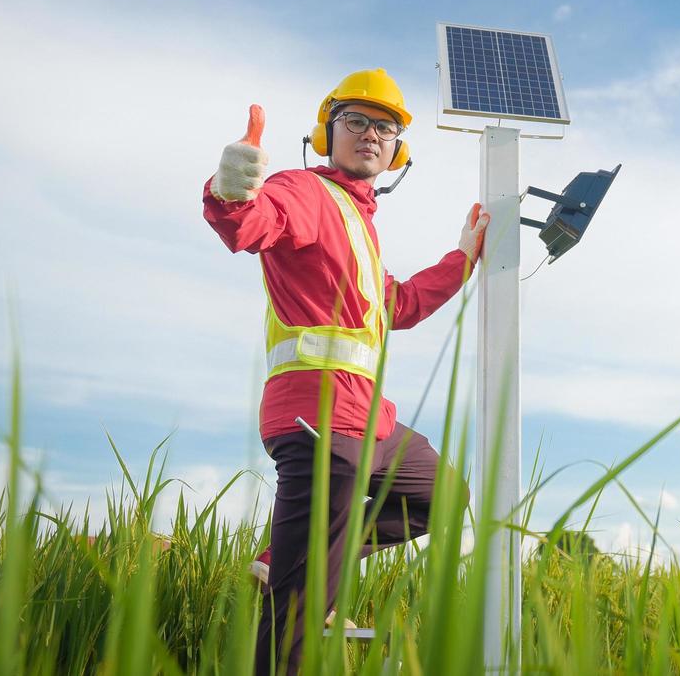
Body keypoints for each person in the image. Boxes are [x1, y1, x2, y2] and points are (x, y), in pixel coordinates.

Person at [203, 68, 487, 675]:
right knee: (298, 622)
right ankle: (297, 572)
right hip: (318, 420)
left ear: (397, 151)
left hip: (372, 426)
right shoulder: (304, 192)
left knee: (442, 494)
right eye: (355, 121)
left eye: (385, 127)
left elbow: (399, 305)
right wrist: (232, 190)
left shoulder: (360, 226)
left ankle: (288, 557)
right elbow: (252, 224)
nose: (371, 134)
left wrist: (463, 258)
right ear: (326, 134)